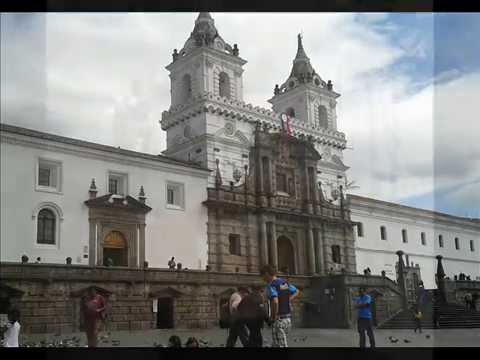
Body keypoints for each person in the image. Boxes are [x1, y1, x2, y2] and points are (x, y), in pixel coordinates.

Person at [260, 264, 299, 348]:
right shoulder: (284, 282)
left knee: (281, 345)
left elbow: (275, 301)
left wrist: (273, 316)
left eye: (263, 276)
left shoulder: (272, 285)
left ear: (267, 274)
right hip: (287, 319)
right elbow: (296, 291)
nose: (263, 279)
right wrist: (288, 300)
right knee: (276, 344)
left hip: (279, 320)